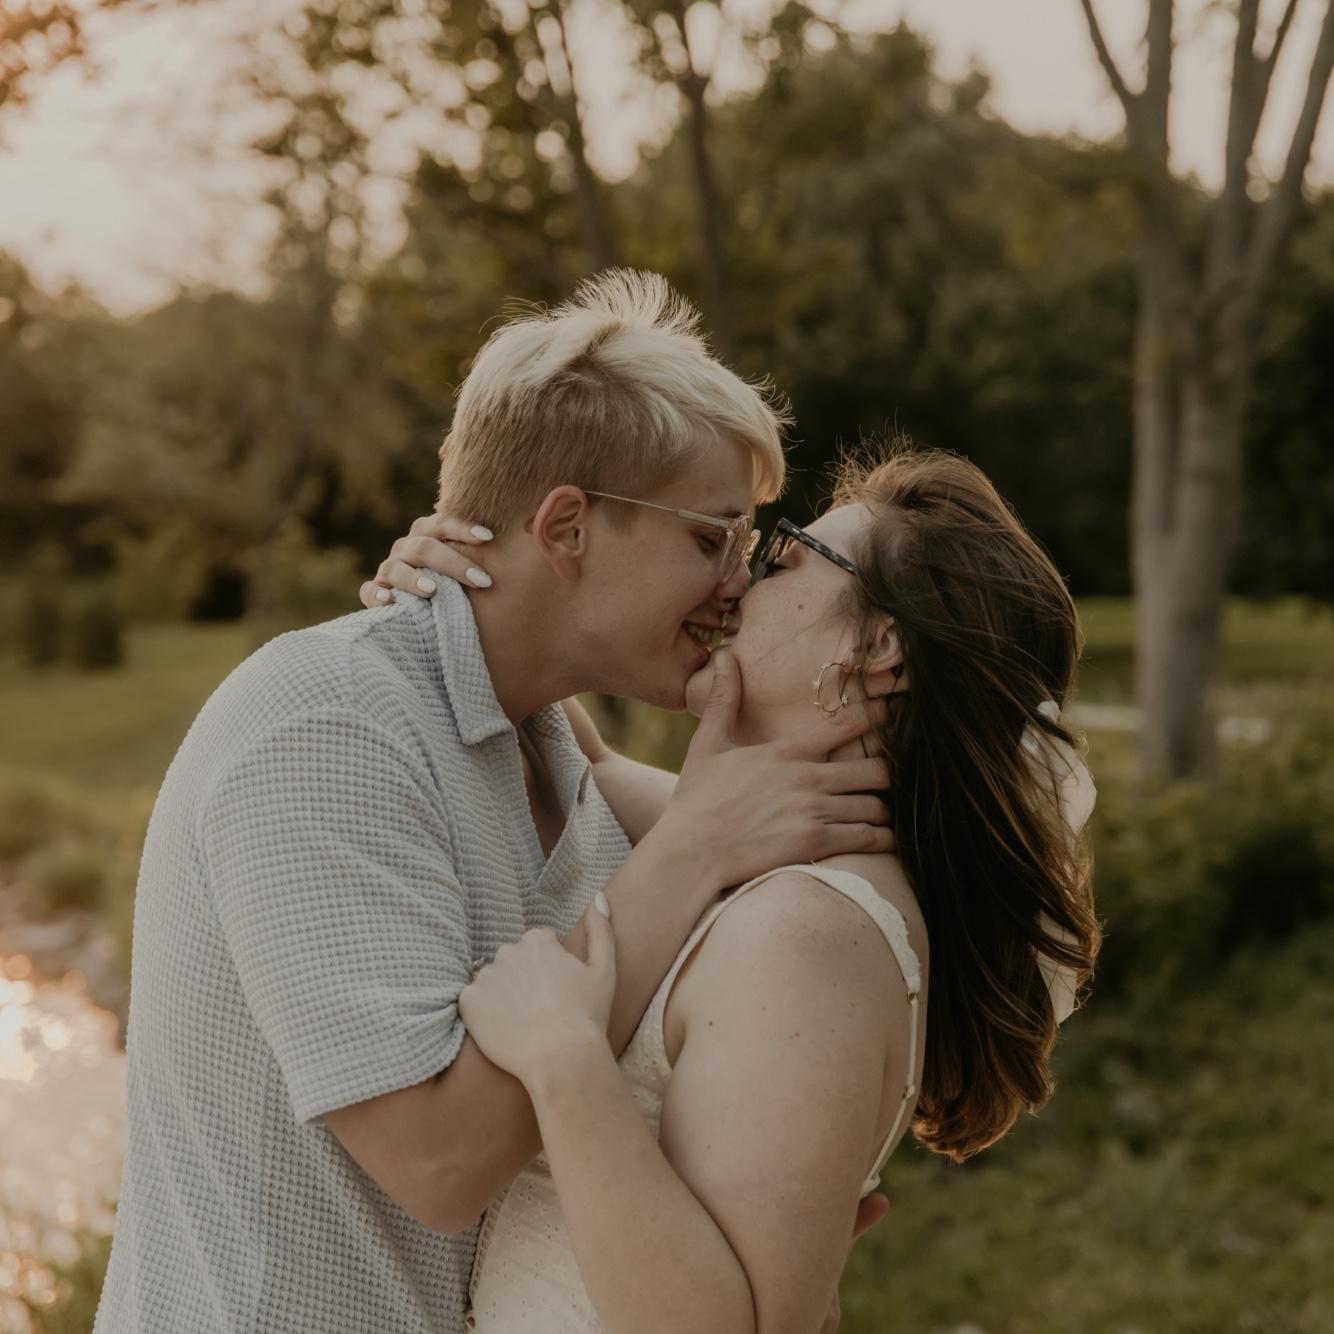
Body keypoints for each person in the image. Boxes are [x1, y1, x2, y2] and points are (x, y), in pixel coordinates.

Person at [92, 270, 894, 1334]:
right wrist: (691, 850)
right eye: (710, 538)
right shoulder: (325, 726)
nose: (737, 585)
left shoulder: (553, 748)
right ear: (565, 527)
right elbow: (437, 1162)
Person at [361, 445, 1101, 1333]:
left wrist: (564, 1060)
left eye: (784, 556)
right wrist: (463, 585)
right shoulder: (776, 844)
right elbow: (581, 761)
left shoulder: (802, 929)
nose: (739, 583)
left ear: (877, 647)